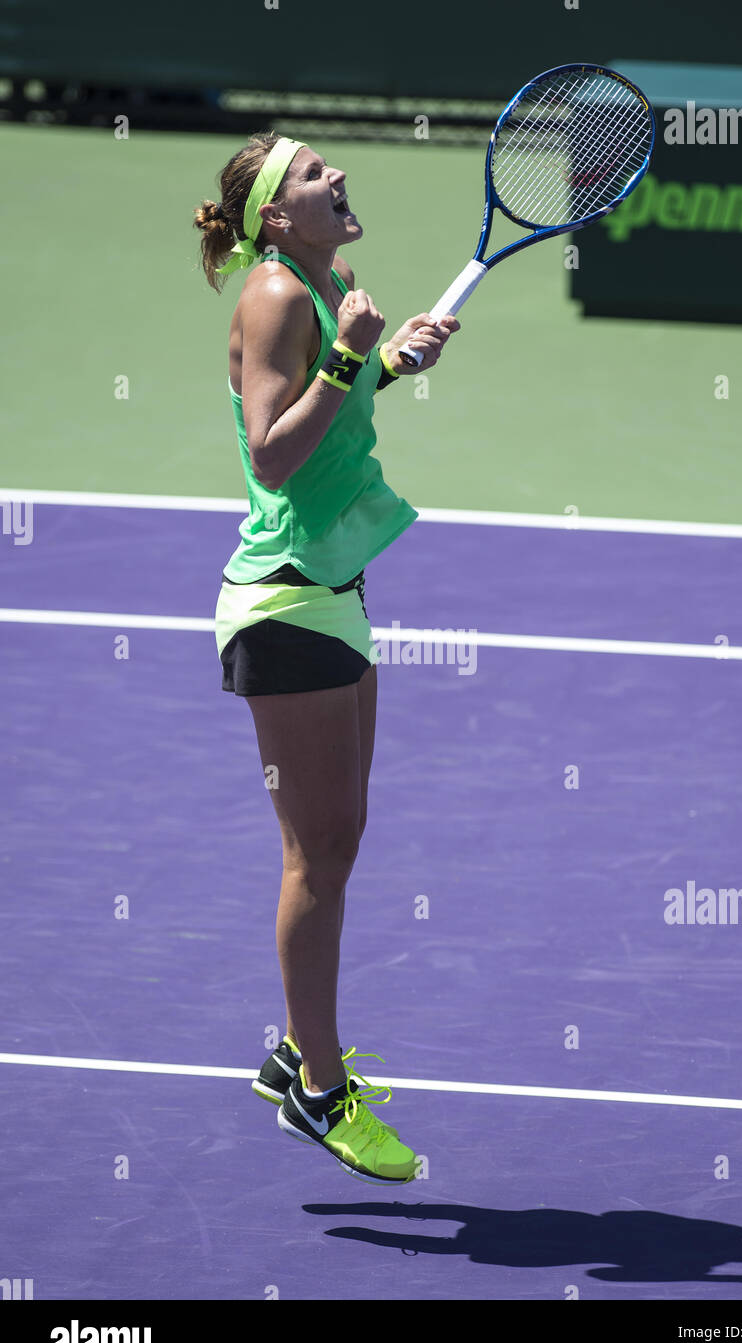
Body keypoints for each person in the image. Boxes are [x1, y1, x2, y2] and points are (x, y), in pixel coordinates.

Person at [193, 133, 459, 1184]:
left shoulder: (330, 277)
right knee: (318, 857)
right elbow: (269, 449)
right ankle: (318, 1087)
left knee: (340, 843)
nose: (335, 177)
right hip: (283, 600)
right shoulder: (278, 298)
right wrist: (352, 352)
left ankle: (294, 1055)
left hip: (335, 591)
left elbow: (334, 415)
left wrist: (386, 362)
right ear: (274, 216)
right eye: (311, 176)